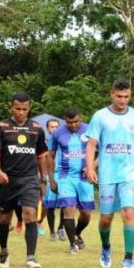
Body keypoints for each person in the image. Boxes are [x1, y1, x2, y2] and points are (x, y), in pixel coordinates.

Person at [86, 78, 134, 268]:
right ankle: (106, 247)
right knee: (106, 218)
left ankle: (128, 258)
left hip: (129, 173)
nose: (123, 100)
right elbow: (91, 145)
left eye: (127, 97)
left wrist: (131, 159)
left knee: (128, 213)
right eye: (119, 96)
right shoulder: (99, 116)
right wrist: (90, 168)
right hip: (107, 174)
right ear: (112, 94)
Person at [0, 92, 48, 268]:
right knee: (5, 219)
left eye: (24, 109)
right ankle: (4, 250)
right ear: (11, 107)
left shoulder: (37, 128)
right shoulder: (1, 127)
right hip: (7, 180)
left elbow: (41, 156)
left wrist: (43, 179)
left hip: (30, 179)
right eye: (17, 109)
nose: (21, 112)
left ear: (29, 108)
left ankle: (30, 258)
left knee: (30, 214)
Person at [48, 107, 95, 254]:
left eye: (76, 122)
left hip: (84, 178)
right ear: (64, 120)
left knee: (86, 213)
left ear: (80, 118)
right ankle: (72, 244)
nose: (73, 125)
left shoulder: (90, 130)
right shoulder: (57, 133)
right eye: (69, 122)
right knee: (69, 209)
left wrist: (91, 167)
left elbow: (101, 152)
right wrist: (51, 179)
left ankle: (77, 233)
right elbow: (50, 157)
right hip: (65, 177)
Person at [40, 118, 65, 241]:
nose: (54, 129)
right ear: (48, 129)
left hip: (64, 175)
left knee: (66, 204)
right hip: (51, 175)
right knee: (50, 206)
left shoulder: (65, 140)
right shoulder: (45, 143)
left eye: (56, 126)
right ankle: (52, 232)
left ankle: (61, 228)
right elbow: (42, 160)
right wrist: (44, 177)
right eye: (52, 127)